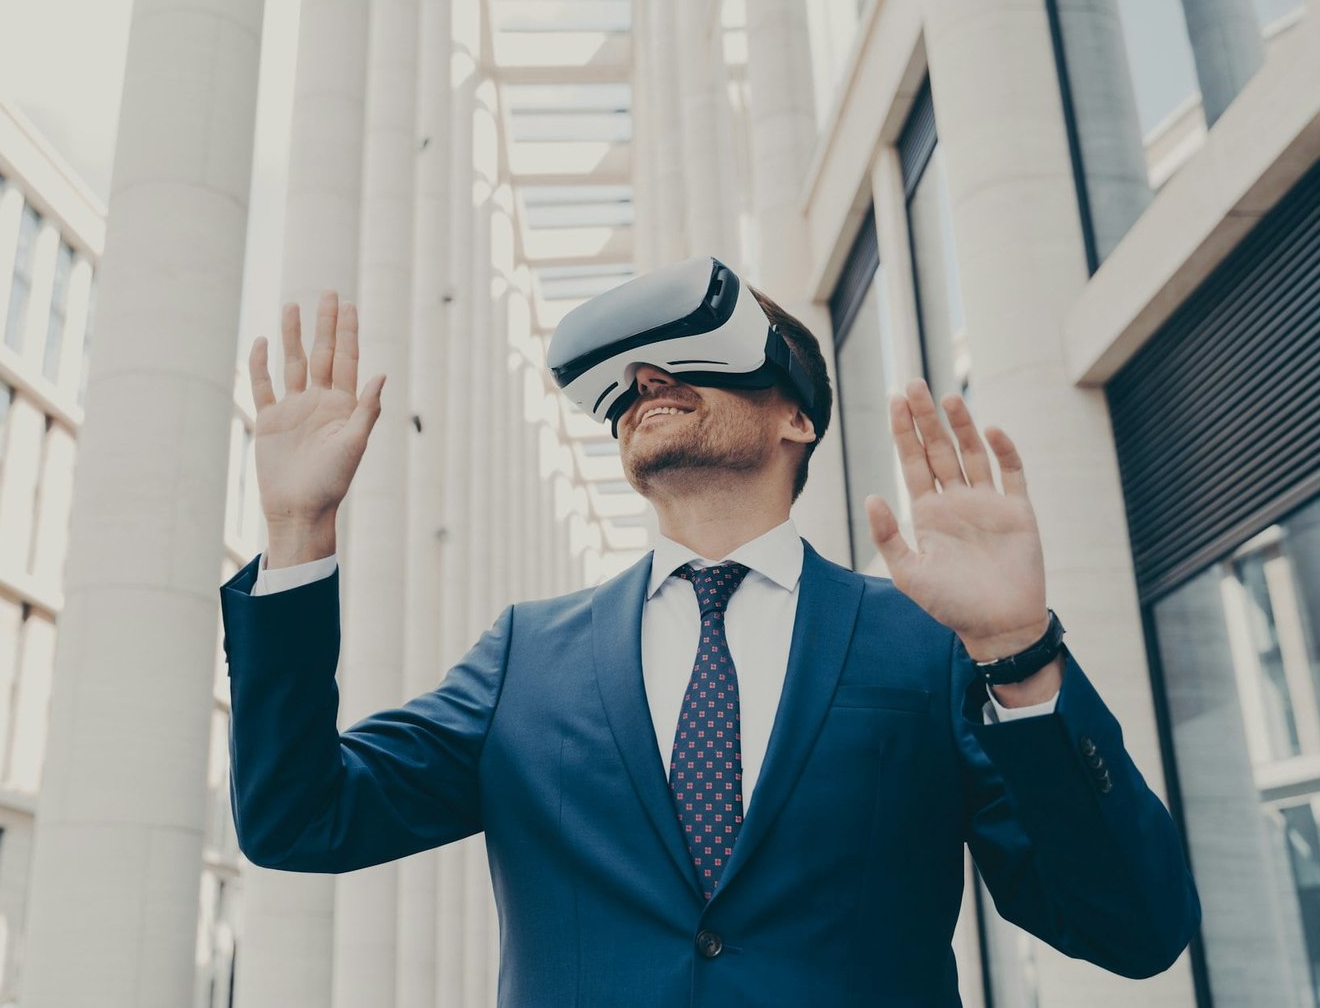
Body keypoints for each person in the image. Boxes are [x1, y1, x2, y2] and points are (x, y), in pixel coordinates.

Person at [219, 272, 1200, 1006]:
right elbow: (298, 818)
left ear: (796, 418)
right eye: (627, 380)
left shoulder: (930, 646)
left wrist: (1019, 651)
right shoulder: (526, 654)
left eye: (690, 356)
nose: (646, 378)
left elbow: (1133, 927)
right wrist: (299, 535)